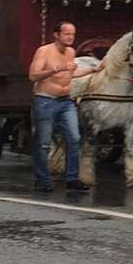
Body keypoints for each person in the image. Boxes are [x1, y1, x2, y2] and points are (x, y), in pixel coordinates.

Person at [27, 21, 90, 193]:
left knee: (74, 138)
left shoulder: (71, 52)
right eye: (67, 34)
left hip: (66, 101)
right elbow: (33, 75)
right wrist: (56, 68)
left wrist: (95, 70)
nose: (71, 37)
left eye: (73, 34)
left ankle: (72, 178)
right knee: (44, 143)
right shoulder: (44, 51)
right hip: (45, 100)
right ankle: (43, 180)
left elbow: (71, 73)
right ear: (56, 34)